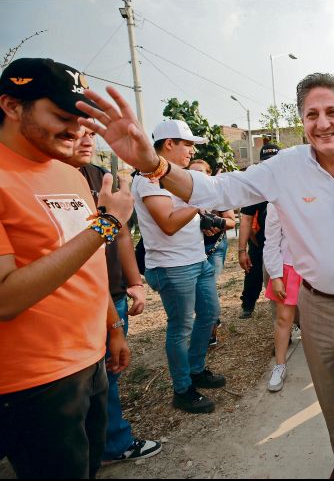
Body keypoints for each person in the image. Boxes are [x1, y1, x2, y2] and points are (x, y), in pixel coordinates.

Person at [78, 73, 334, 480]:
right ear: (302, 120)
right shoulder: (284, 167)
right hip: (315, 304)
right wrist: (154, 165)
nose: (323, 123)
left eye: (332, 112)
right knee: (331, 400)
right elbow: (218, 191)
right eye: (312, 114)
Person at [0, 57, 134, 478]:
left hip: (90, 361)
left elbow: (85, 260)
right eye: (61, 115)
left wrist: (112, 326)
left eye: (81, 117)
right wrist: (108, 225)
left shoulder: (68, 172)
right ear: (10, 105)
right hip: (35, 381)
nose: (77, 129)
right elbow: (5, 297)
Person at [60, 130, 162, 464]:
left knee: (107, 376)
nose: (86, 138)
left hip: (110, 295)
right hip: (70, 306)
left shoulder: (96, 176)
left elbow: (119, 236)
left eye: (91, 130)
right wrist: (108, 222)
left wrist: (134, 282)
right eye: (70, 123)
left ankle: (109, 443)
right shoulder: (39, 180)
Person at [131, 119, 225, 414]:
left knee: (210, 313)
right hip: (172, 266)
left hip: (197, 259)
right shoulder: (148, 177)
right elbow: (168, 223)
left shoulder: (179, 176)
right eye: (186, 144)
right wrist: (199, 204)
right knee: (181, 327)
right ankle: (182, 389)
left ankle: (196, 369)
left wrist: (203, 224)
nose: (190, 151)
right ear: (168, 144)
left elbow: (184, 219)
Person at [188, 159, 236, 347]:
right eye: (192, 172)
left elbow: (231, 221)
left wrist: (215, 222)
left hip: (214, 248)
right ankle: (209, 319)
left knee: (208, 286)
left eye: (201, 172)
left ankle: (209, 331)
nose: (196, 176)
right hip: (191, 249)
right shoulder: (181, 194)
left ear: (209, 174)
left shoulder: (218, 193)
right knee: (196, 290)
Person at [263, 203, 301, 392]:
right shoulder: (276, 202)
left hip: (318, 268)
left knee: (320, 320)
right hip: (289, 266)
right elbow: (271, 242)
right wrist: (276, 276)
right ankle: (280, 365)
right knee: (284, 319)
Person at [237, 144, 278, 319]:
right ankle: (248, 304)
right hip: (259, 241)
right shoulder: (255, 187)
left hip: (286, 243)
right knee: (253, 273)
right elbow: (245, 219)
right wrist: (242, 250)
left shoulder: (291, 183)